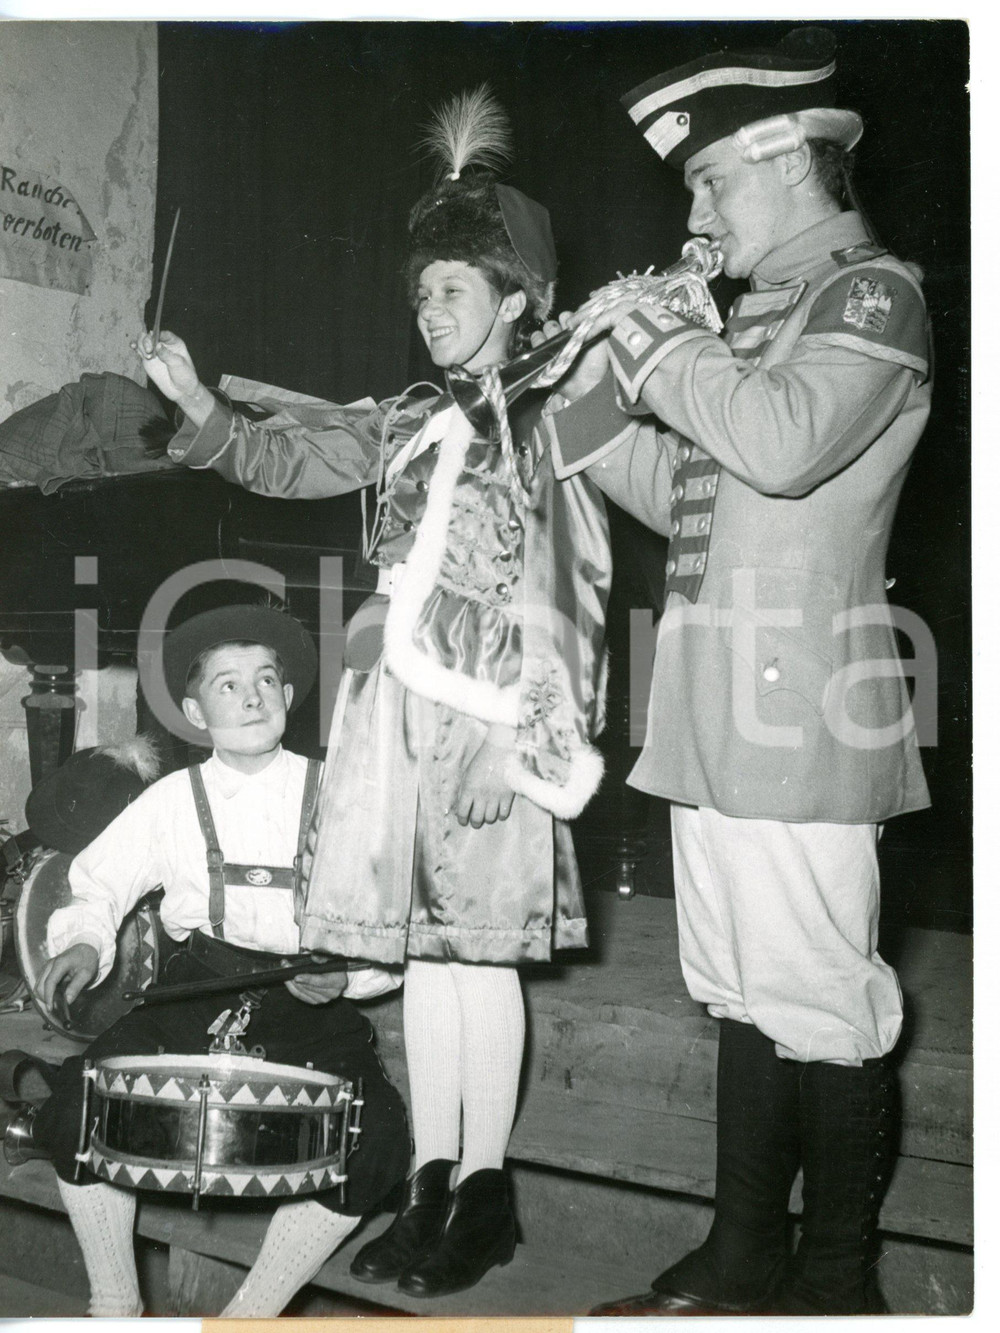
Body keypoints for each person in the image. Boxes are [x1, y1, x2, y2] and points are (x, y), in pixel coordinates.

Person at [136, 88, 611, 1299]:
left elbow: (575, 581)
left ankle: (485, 1189)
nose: (428, 309)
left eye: (451, 289)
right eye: (420, 293)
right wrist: (198, 406)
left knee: (483, 957)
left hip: (491, 709)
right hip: (392, 710)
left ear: (515, 297)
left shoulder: (552, 416)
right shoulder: (406, 417)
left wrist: (531, 739)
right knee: (429, 958)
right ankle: (434, 1179)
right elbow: (286, 455)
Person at [539, 27, 931, 1317]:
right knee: (742, 994)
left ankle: (837, 1284)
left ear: (789, 158)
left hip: (803, 708)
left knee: (819, 999)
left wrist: (658, 343)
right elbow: (688, 492)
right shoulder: (757, 317)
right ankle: (744, 1256)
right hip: (711, 707)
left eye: (710, 181)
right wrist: (582, 399)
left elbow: (778, 442)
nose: (694, 216)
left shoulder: (870, 295)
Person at [20, 604, 410, 1317]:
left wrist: (349, 974)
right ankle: (115, 1303)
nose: (252, 697)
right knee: (80, 1106)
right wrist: (84, 941)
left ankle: (248, 1316)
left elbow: (395, 920)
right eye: (228, 685)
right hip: (195, 990)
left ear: (288, 697)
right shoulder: (171, 799)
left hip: (306, 999)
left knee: (377, 1137)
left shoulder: (340, 793)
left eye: (265, 680)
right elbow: (96, 884)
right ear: (197, 712)